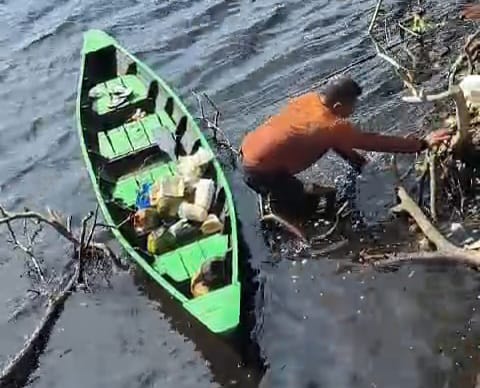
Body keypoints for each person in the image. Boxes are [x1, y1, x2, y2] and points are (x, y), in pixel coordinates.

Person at [239, 76, 451, 222]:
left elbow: (323, 138)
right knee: (305, 212)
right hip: (261, 172)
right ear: (339, 107)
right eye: (354, 104)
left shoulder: (309, 100)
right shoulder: (332, 125)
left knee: (304, 194)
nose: (356, 108)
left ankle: (295, 199)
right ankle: (298, 226)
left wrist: (357, 161)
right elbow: (375, 142)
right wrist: (421, 144)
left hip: (248, 149)